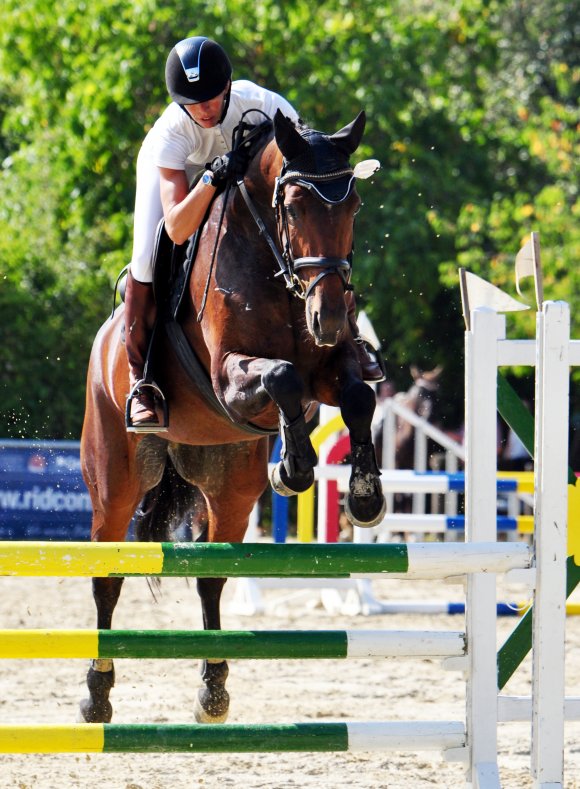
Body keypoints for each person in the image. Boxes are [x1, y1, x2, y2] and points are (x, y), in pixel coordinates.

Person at [125, 35, 384, 432]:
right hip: (190, 183)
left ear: (228, 86)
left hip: (248, 189)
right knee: (145, 256)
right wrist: (212, 176)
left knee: (319, 229)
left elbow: (306, 175)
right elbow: (177, 228)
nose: (204, 110)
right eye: (193, 103)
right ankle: (140, 381)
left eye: (211, 98)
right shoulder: (171, 134)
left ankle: (351, 336)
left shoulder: (267, 105)